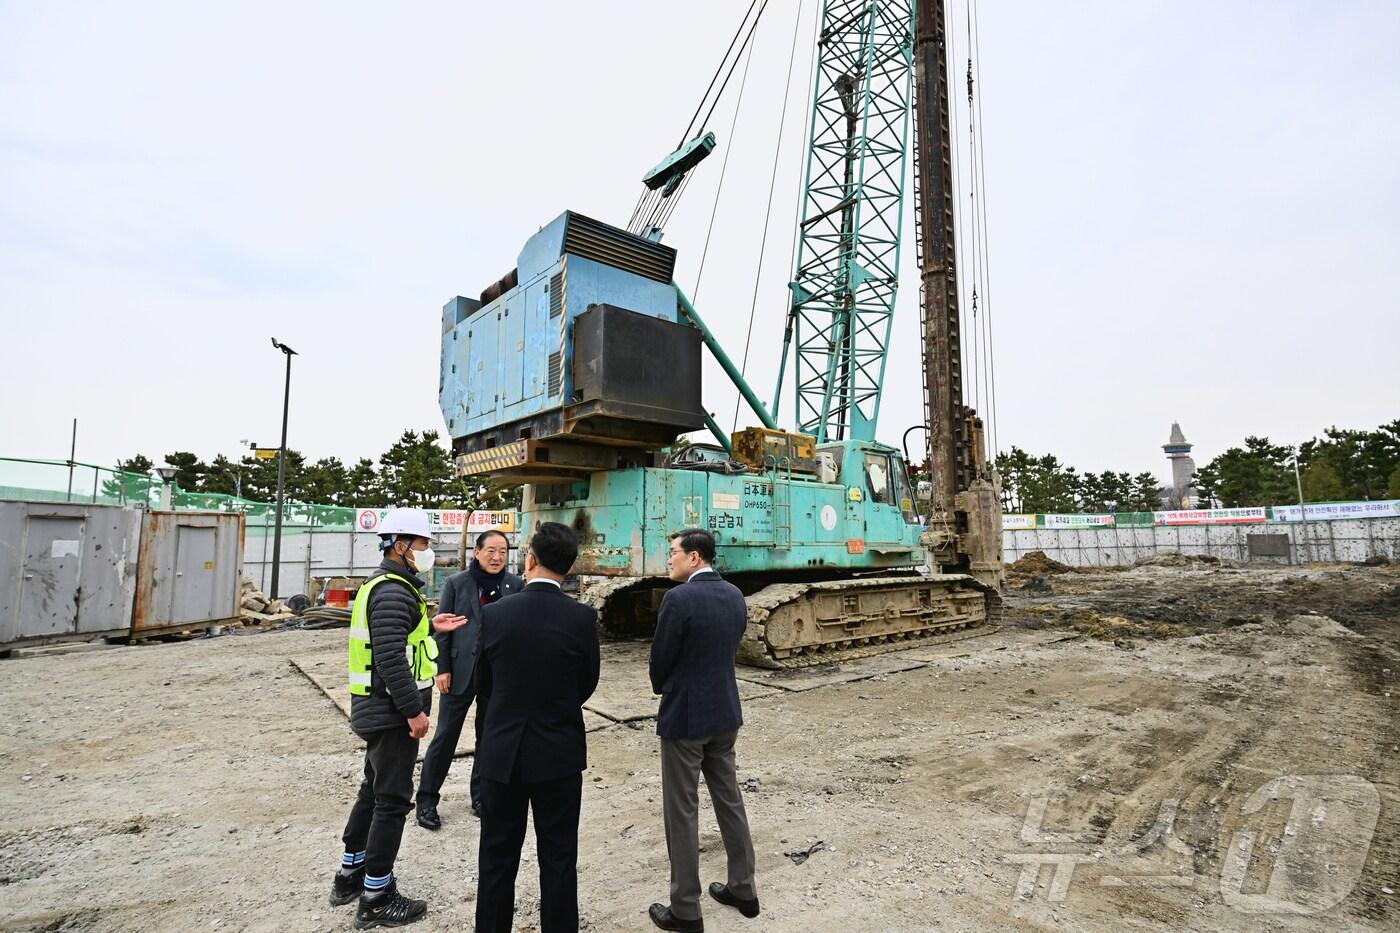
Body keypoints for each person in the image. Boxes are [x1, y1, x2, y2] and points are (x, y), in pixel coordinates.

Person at [329, 506, 469, 928]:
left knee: (372, 791)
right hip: (391, 713)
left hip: (378, 710)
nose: (429, 552)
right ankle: (376, 896)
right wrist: (414, 711)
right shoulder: (391, 590)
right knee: (391, 801)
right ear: (401, 545)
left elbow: (398, 637)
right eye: (424, 544)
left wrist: (429, 623)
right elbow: (391, 658)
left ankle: (350, 875)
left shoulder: (391, 587)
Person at [474, 522, 600, 933]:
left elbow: (484, 684)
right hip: (559, 754)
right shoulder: (582, 618)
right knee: (559, 858)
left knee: (496, 859)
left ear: (529, 560)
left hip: (502, 753)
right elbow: (587, 683)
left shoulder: (494, 614)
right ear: (568, 567)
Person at [646, 528, 759, 932]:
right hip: (725, 714)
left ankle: (686, 909)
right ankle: (743, 887)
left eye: (673, 552)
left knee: (682, 811)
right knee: (729, 800)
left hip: (686, 719)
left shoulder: (678, 599)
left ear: (694, 557)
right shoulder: (734, 595)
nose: (669, 558)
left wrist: (665, 686)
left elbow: (660, 661)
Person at [415, 529, 523, 829]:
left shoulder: (514, 585)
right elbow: (442, 630)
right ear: (476, 552)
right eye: (490, 550)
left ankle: (480, 797)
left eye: (502, 550)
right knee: (445, 737)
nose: (497, 556)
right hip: (460, 673)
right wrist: (442, 668)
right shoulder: (457, 583)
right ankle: (426, 801)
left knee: (488, 739)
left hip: (497, 677)